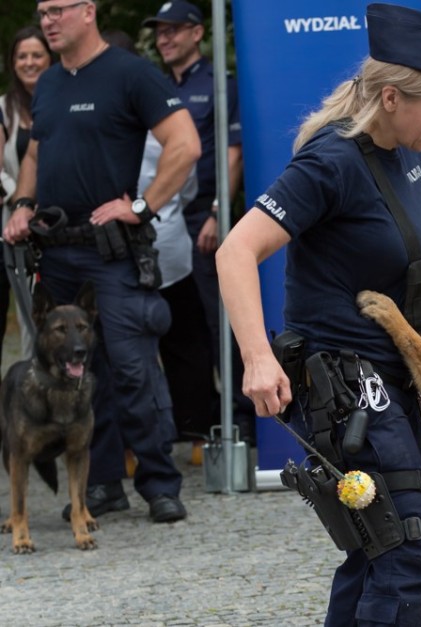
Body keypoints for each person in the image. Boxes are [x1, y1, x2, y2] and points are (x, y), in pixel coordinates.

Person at [216, 3, 421, 623]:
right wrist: (258, 360)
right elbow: (236, 250)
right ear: (392, 97)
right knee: (405, 552)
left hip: (390, 384)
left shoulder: (407, 151)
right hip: (343, 387)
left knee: (376, 553)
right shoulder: (332, 161)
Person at [4, 0, 201, 523]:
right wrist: (22, 205)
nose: (47, 20)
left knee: (134, 369)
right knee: (77, 373)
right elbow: (35, 154)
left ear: (87, 12)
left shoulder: (130, 73)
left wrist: (141, 206)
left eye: (57, 10)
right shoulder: (47, 83)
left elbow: (185, 145)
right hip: (57, 248)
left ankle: (160, 483)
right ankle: (103, 484)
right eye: (41, 12)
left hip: (112, 251)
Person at [142, 0, 255, 444]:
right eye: (160, 31)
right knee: (178, 324)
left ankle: (241, 419)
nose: (165, 38)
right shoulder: (151, 87)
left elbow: (233, 154)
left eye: (174, 30)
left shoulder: (219, 85)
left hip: (202, 221)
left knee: (218, 320)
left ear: (197, 34)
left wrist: (216, 212)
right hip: (159, 220)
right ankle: (195, 419)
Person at [101, 29, 214, 455]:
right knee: (132, 350)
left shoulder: (155, 117)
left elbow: (185, 175)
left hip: (163, 244)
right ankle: (141, 441)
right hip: (123, 246)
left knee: (182, 341)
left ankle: (193, 431)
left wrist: (147, 206)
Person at [1, 26, 54, 365]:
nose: (30, 62)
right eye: (22, 56)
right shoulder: (4, 108)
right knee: (27, 316)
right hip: (16, 227)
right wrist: (22, 201)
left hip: (63, 221)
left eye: (37, 55)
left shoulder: (65, 99)